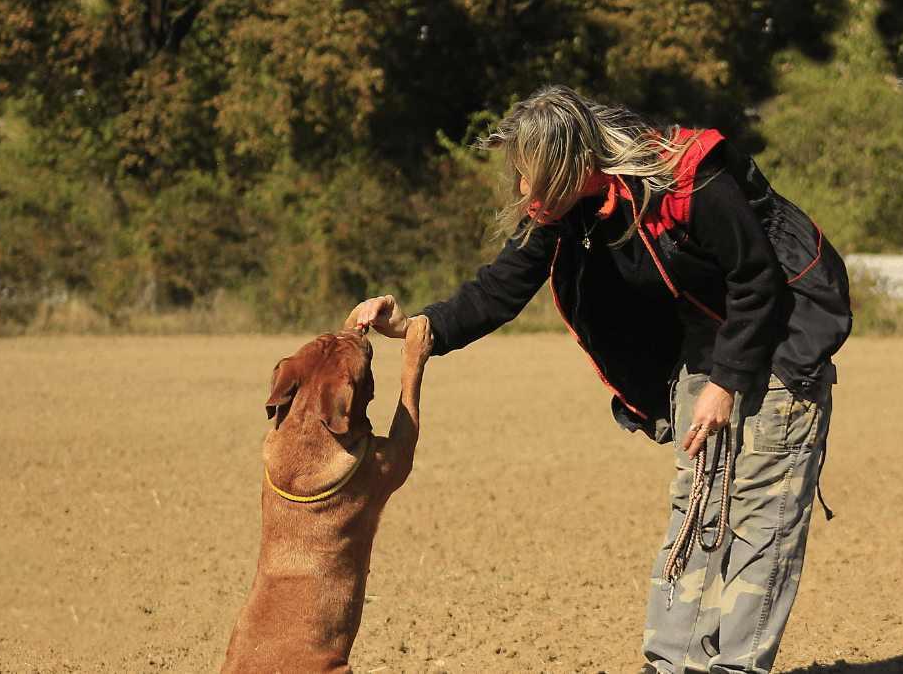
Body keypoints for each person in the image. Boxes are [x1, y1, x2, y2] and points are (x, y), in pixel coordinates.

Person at [350, 85, 851, 674]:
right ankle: (669, 666)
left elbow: (756, 277)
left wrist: (726, 382)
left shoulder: (688, 178)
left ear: (572, 164)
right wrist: (416, 326)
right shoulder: (560, 205)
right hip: (706, 331)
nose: (523, 190)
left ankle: (735, 668)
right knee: (698, 498)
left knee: (760, 509)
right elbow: (500, 287)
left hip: (784, 325)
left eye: (532, 175)